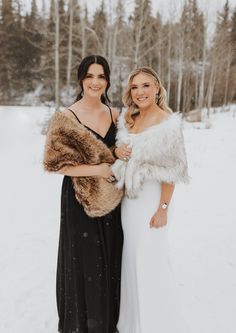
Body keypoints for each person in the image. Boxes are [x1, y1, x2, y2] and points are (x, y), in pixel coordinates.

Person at [43, 55, 123, 333]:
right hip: (79, 199)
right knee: (85, 263)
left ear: (108, 81)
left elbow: (120, 153)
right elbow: (56, 164)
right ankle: (81, 326)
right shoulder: (66, 117)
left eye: (101, 76)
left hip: (113, 201)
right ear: (81, 79)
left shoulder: (116, 115)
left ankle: (106, 324)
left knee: (110, 260)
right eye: (90, 76)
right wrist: (97, 170)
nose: (95, 82)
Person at [112, 67, 189, 333]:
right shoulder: (129, 120)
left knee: (150, 260)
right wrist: (117, 150)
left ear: (157, 88)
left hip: (151, 202)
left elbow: (173, 172)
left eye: (146, 86)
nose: (140, 92)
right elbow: (123, 154)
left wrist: (163, 209)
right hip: (128, 203)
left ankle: (157, 323)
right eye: (135, 87)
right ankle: (133, 323)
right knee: (131, 259)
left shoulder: (167, 123)